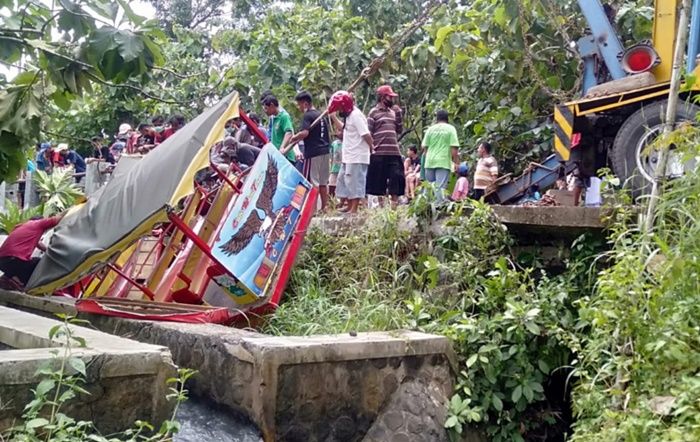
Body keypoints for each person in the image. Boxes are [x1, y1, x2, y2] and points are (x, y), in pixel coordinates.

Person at [281, 91, 331, 211]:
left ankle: (312, 210)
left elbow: (305, 133)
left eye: (299, 105)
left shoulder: (308, 115)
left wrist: (295, 137)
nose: (299, 108)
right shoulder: (320, 115)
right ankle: (325, 207)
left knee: (313, 182)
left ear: (305, 104)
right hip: (325, 151)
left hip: (313, 153)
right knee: (323, 182)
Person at [329, 91, 373, 214]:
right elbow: (343, 128)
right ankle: (348, 206)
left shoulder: (356, 115)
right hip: (348, 155)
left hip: (357, 155)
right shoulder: (349, 117)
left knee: (355, 181)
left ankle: (354, 208)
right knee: (344, 181)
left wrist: (372, 147)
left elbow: (366, 134)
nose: (339, 111)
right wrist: (333, 117)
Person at [366, 85, 405, 206]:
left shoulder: (394, 112)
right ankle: (382, 208)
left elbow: (399, 130)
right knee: (379, 183)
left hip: (394, 153)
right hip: (379, 153)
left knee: (396, 180)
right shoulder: (373, 112)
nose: (392, 99)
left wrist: (399, 115)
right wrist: (371, 149)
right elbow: (369, 132)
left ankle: (394, 208)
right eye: (390, 96)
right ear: (382, 97)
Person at [0, 215, 63, 286]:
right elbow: (58, 219)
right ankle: (26, 285)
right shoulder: (38, 224)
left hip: (2, 261)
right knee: (39, 262)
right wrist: (72, 210)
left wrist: (48, 251)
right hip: (15, 260)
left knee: (26, 263)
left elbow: (39, 244)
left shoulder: (21, 227)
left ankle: (7, 278)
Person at [422, 110, 460, 201]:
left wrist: (429, 156)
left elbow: (424, 146)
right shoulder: (450, 129)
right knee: (440, 187)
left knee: (429, 188)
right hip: (443, 161)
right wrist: (456, 162)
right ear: (447, 119)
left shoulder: (430, 129)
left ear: (437, 119)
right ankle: (439, 207)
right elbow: (454, 148)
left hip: (429, 162)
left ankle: (425, 208)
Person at [262, 95, 299, 163]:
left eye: (266, 108)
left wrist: (282, 147)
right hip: (278, 157)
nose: (265, 111)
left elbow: (289, 132)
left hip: (286, 156)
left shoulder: (284, 116)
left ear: (272, 105)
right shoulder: (273, 119)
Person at [329, 132, 343, 200]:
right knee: (331, 184)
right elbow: (331, 155)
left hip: (343, 168)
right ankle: (331, 200)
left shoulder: (347, 143)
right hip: (334, 168)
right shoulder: (334, 144)